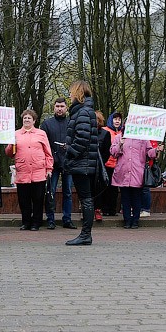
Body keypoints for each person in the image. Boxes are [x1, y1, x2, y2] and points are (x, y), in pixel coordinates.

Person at [63, 80, 99, 246]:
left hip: (81, 163)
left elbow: (82, 139)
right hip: (84, 162)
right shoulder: (86, 111)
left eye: (71, 92)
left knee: (86, 198)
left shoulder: (83, 112)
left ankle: (86, 234)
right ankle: (86, 234)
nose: (69, 95)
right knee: (86, 198)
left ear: (77, 93)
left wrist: (70, 150)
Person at [6, 109, 53, 231]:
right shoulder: (15, 134)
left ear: (34, 120)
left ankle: (36, 223)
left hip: (38, 172)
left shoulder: (41, 133)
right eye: (25, 118)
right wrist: (11, 144)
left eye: (29, 118)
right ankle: (25, 222)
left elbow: (48, 152)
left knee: (38, 199)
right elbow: (9, 153)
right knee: (24, 199)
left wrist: (49, 168)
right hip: (22, 172)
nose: (26, 120)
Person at [110, 133, 159, 229]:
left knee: (137, 197)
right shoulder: (119, 137)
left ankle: (135, 220)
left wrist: (156, 150)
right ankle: (127, 220)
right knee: (125, 197)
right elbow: (113, 153)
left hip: (137, 172)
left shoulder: (143, 138)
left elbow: (149, 153)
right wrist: (120, 144)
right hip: (123, 172)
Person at [40, 98, 75, 230]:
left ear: (66, 108)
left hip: (68, 162)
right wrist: (51, 157)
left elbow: (76, 141)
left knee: (68, 193)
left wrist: (69, 149)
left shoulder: (72, 123)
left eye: (62, 106)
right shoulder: (46, 124)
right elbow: (44, 144)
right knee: (50, 191)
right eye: (57, 106)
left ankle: (67, 219)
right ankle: (50, 219)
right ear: (53, 107)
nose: (59, 109)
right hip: (52, 163)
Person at [140, 140, 164, 217]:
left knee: (145, 188)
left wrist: (157, 150)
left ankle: (145, 209)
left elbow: (155, 156)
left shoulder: (152, 139)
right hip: (135, 167)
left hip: (146, 167)